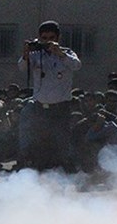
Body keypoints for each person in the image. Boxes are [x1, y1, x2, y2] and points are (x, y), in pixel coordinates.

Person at [16, 19, 82, 172]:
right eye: (44, 38)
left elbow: (77, 65)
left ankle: (65, 173)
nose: (47, 41)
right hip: (40, 108)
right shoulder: (35, 54)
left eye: (51, 38)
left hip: (60, 108)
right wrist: (25, 53)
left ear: (58, 38)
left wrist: (60, 53)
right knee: (39, 143)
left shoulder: (67, 53)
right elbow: (22, 67)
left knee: (61, 143)